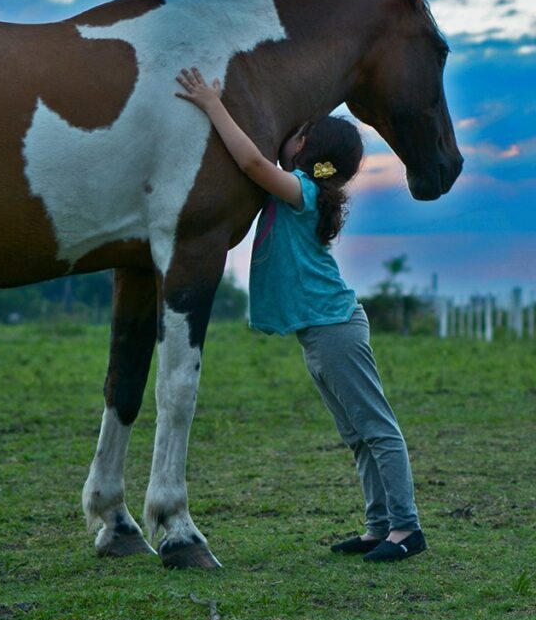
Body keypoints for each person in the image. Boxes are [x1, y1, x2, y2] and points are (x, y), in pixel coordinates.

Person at [175, 65, 426, 563]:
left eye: (302, 132)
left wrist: (212, 104)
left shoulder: (301, 192)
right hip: (321, 332)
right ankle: (379, 526)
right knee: (357, 434)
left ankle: (407, 529)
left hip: (334, 328)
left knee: (377, 428)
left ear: (312, 154)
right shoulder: (303, 192)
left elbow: (249, 161)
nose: (292, 133)